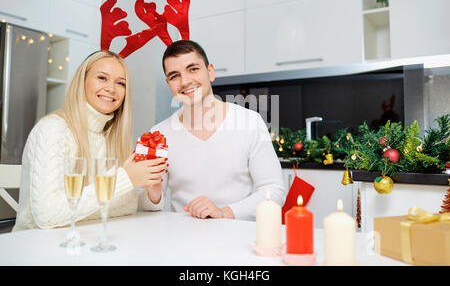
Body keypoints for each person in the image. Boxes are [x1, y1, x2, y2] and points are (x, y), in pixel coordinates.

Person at [13, 50, 167, 231]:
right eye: (102, 78)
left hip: (90, 242)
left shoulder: (111, 137)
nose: (111, 88)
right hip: (39, 248)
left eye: (120, 83)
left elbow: (123, 206)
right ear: (82, 81)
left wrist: (152, 193)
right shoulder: (53, 130)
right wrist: (125, 178)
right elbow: (47, 215)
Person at [146, 40, 285, 221]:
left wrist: (224, 212)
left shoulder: (250, 122)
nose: (185, 81)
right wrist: (154, 194)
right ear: (169, 83)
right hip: (182, 240)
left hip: (238, 238)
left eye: (193, 69)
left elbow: (274, 191)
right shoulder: (159, 134)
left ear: (210, 71)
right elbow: (149, 208)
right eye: (174, 76)